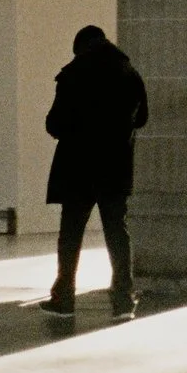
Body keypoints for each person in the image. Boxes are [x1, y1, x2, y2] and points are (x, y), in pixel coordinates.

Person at [42, 24, 148, 320]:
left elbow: (54, 124)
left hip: (78, 167)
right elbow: (142, 119)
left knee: (71, 233)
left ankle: (64, 298)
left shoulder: (72, 75)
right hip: (114, 166)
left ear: (81, 48)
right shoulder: (130, 75)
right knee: (117, 232)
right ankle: (123, 300)